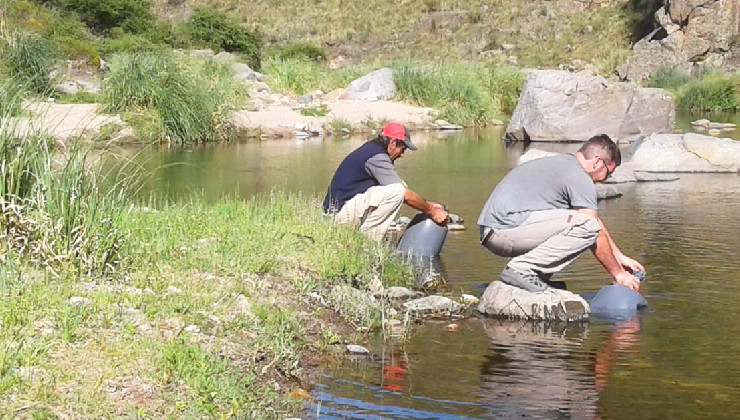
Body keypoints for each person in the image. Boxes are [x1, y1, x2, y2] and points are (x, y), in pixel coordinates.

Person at [477, 134, 643, 293]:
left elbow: (594, 222)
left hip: (497, 230)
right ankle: (521, 270)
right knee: (585, 227)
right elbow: (593, 230)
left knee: (582, 224)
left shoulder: (565, 165)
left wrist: (619, 256)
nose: (605, 179)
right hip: (504, 230)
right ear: (598, 162)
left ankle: (535, 277)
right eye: (608, 173)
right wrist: (619, 274)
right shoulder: (578, 175)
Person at [323, 122, 448, 240]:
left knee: (399, 187)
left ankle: (363, 238)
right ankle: (367, 241)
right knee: (398, 191)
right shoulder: (377, 157)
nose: (402, 155)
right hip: (338, 216)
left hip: (341, 211)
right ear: (393, 142)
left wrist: (427, 204)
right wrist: (432, 212)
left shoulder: (373, 150)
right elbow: (404, 194)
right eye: (403, 149)